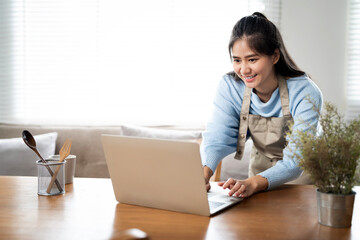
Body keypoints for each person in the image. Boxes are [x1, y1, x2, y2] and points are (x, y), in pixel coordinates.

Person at [200, 12, 323, 198]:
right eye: (237, 60)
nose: (243, 69)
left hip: (302, 175)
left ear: (274, 56)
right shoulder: (230, 86)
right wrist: (203, 174)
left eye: (252, 59)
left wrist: (252, 184)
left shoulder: (305, 92)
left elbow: (295, 162)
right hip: (258, 171)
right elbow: (218, 138)